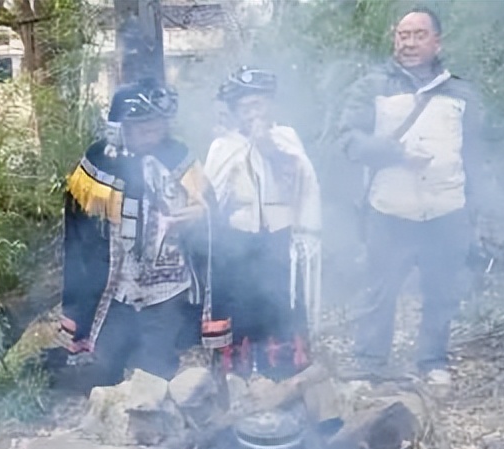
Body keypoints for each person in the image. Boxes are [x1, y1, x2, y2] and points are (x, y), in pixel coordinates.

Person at [338, 5, 503, 386]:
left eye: (418, 35)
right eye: (403, 35)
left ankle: (432, 361)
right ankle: (368, 365)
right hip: (388, 211)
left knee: (441, 292)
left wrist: (474, 208)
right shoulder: (372, 86)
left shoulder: (462, 93)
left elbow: (475, 155)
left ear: (437, 41)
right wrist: (394, 153)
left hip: (447, 212)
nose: (409, 43)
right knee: (380, 292)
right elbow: (346, 140)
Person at [56, 79, 229, 389]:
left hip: (167, 288)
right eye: (144, 127)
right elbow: (77, 232)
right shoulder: (98, 164)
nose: (153, 133)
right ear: (121, 127)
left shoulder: (180, 157)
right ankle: (107, 417)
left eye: (158, 125)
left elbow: (210, 211)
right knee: (107, 361)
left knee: (157, 367)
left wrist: (201, 218)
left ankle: (155, 424)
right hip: (115, 288)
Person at [205, 66, 322, 380]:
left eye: (258, 104)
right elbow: (210, 199)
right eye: (244, 107)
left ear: (271, 105)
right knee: (242, 303)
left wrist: (267, 147)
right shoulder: (223, 146)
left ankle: (282, 369)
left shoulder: (286, 138)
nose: (251, 112)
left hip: (281, 237)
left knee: (281, 302)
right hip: (239, 239)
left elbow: (300, 183)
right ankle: (239, 372)